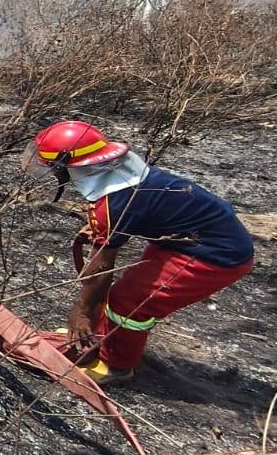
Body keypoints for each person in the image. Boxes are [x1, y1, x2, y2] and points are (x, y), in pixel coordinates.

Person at [24, 120, 254, 386]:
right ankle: (98, 337)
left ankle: (116, 366)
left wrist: (82, 311)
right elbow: (137, 212)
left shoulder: (114, 201)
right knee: (125, 291)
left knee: (129, 302)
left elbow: (101, 270)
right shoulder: (122, 173)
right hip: (187, 239)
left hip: (215, 255)